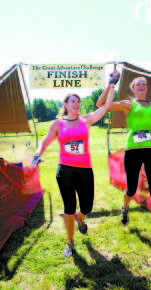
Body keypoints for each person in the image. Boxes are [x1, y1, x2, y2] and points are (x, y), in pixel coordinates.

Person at [30, 72, 119, 257]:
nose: (76, 104)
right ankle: (70, 241)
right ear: (65, 105)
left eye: (78, 102)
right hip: (65, 170)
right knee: (68, 207)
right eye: (72, 101)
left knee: (87, 206)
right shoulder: (57, 123)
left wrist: (111, 85)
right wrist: (38, 153)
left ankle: (81, 216)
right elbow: (45, 141)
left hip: (85, 170)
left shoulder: (86, 120)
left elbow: (107, 106)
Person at [96, 74, 151, 253]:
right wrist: (110, 84)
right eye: (138, 84)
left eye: (144, 84)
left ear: (146, 88)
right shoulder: (128, 104)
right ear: (133, 89)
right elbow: (101, 105)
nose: (142, 86)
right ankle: (125, 207)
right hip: (133, 150)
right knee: (132, 189)